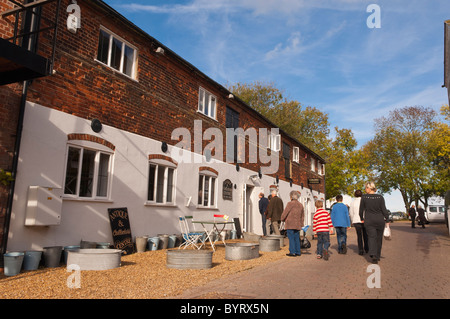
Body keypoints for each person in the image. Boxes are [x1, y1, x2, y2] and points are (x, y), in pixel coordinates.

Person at [359, 181, 390, 264]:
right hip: (380, 220)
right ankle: (378, 255)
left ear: (369, 188)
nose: (365, 190)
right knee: (379, 239)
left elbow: (361, 209)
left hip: (369, 220)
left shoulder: (364, 197)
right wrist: (387, 218)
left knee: (371, 237)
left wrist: (361, 218)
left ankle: (373, 255)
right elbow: (384, 209)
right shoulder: (380, 197)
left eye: (366, 188)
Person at [281, 190, 304, 257]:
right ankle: (298, 252)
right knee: (296, 238)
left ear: (291, 197)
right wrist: (301, 224)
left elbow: (285, 213)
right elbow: (302, 215)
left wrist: (282, 218)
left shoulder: (290, 204)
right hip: (297, 224)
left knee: (291, 238)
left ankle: (292, 252)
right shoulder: (300, 205)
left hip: (290, 224)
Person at [349, 190, 369, 255]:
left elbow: (351, 212)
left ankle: (360, 250)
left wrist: (352, 220)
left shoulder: (353, 202)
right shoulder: (365, 201)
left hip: (356, 220)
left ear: (355, 195)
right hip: (364, 220)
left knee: (359, 235)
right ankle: (367, 248)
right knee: (365, 235)